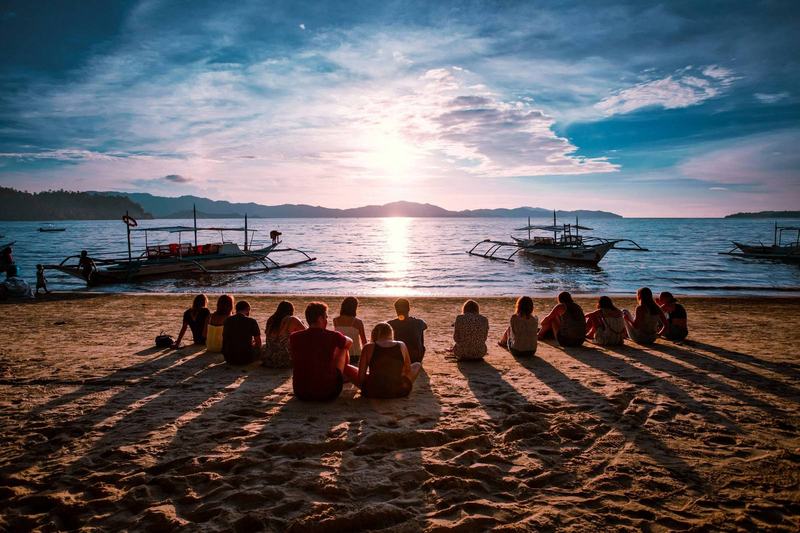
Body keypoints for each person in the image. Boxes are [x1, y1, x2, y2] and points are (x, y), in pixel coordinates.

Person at [290, 302, 358, 401]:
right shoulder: (333, 336)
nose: (327, 320)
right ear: (320, 318)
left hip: (301, 392)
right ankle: (341, 375)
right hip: (328, 392)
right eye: (325, 317)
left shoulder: (294, 337)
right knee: (343, 347)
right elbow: (349, 342)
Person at [358, 323, 422, 398]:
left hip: (373, 391)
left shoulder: (368, 347)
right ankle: (392, 382)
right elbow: (408, 370)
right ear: (390, 333)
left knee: (349, 368)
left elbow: (361, 376)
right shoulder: (401, 344)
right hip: (398, 391)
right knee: (417, 365)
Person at [263, 300, 305, 368]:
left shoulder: (271, 319)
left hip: (268, 359)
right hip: (284, 360)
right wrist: (301, 322)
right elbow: (308, 332)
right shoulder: (291, 319)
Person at [388, 298, 428, 364]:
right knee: (419, 329)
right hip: (416, 358)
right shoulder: (419, 322)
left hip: (398, 358)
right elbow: (425, 326)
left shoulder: (390, 324)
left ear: (396, 310)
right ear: (409, 309)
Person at [222, 300, 262, 365]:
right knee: (263, 347)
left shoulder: (227, 320)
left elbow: (225, 338)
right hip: (246, 358)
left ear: (236, 309)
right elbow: (258, 342)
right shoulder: (251, 321)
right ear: (247, 309)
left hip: (229, 358)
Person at [333, 297, 368, 364]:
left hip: (341, 353)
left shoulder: (335, 320)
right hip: (355, 355)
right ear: (354, 308)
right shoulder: (358, 322)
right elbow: (364, 342)